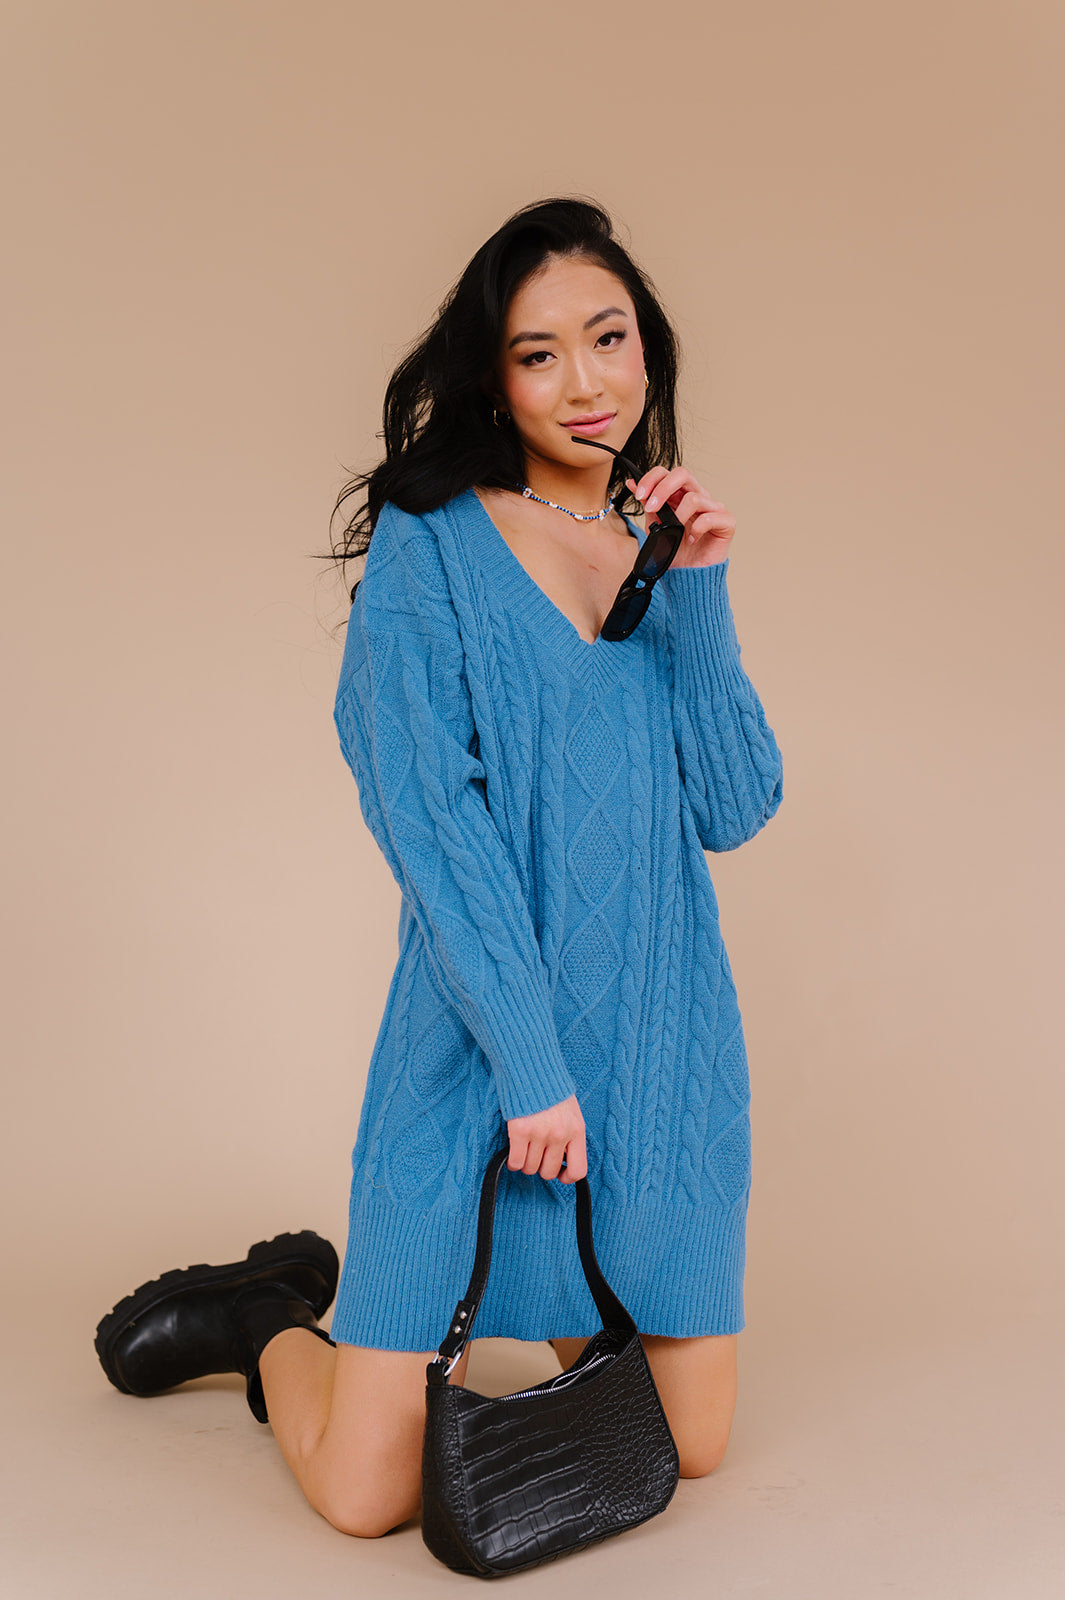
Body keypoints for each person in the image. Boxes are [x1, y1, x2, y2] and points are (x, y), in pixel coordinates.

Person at [94, 196, 784, 1541]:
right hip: (485, 1058)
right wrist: (529, 1063)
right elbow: (431, 824)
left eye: (608, 338)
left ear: (649, 347)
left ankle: (523, 1311)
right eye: (538, 354)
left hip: (658, 1052)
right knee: (369, 1498)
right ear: (491, 377)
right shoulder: (434, 539)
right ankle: (269, 1318)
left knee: (688, 1449)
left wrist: (699, 586)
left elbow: (736, 806)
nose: (583, 382)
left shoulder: (658, 545)